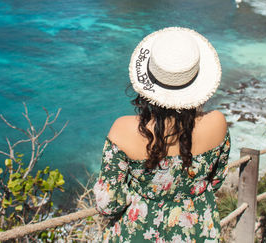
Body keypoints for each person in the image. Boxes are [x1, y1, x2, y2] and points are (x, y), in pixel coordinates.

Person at [93, 27, 230, 242]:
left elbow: (108, 204)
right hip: (198, 231)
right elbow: (216, 180)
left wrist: (142, 196)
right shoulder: (218, 123)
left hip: (137, 233)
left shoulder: (123, 129)